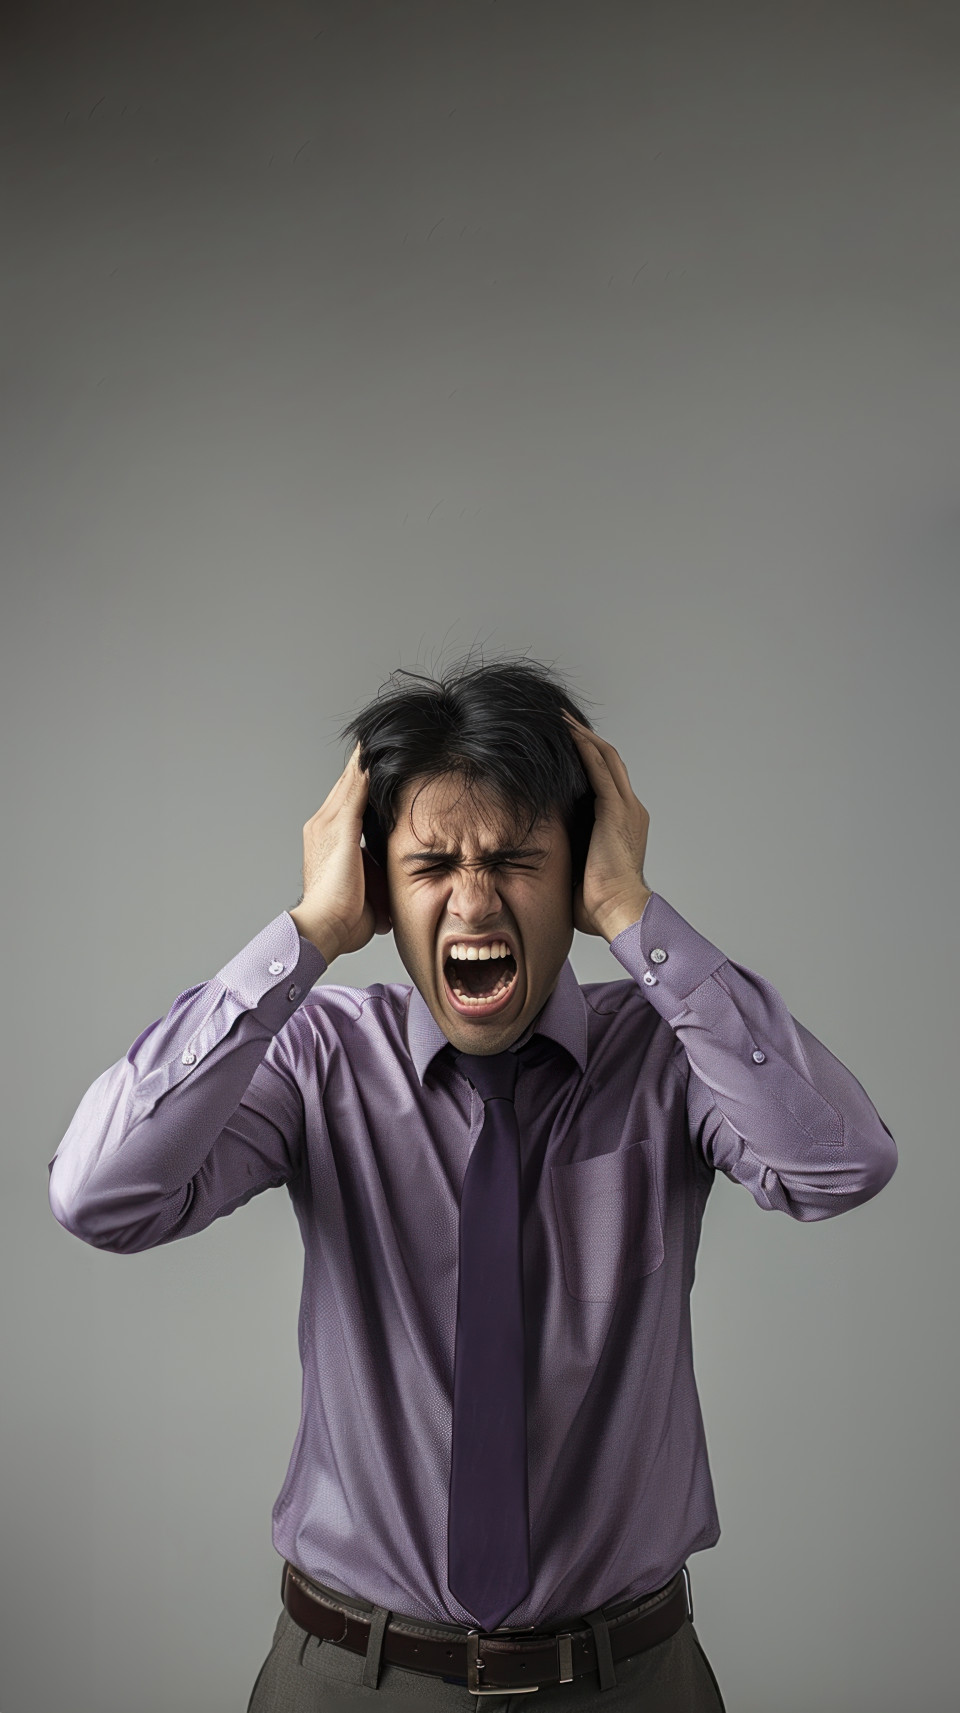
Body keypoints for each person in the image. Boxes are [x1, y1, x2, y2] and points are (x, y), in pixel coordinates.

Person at [48, 652, 897, 1713]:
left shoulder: (669, 1055)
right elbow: (99, 1196)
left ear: (579, 867)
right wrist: (305, 937)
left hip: (629, 1682)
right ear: (375, 885)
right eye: (431, 865)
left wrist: (637, 913)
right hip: (348, 1680)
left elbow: (841, 1165)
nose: (473, 899)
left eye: (516, 858)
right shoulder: (319, 1060)